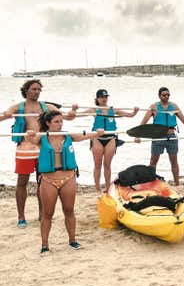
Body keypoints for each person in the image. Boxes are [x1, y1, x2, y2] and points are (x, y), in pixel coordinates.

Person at [25, 110, 104, 254]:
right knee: (47, 213)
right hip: (49, 179)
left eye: (61, 121)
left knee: (69, 210)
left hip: (68, 178)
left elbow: (83, 136)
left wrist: (96, 133)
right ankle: (45, 245)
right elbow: (31, 139)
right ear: (48, 123)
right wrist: (29, 134)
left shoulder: (67, 135)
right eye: (56, 122)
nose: (60, 124)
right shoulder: (42, 137)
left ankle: (72, 241)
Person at [1, 79, 77, 228]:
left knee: (43, 182)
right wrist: (7, 115)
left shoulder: (47, 107)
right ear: (26, 90)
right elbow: (3, 116)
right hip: (25, 149)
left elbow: (67, 117)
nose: (36, 92)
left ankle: (42, 214)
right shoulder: (18, 107)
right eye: (34, 89)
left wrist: (73, 111)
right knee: (22, 182)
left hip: (43, 147)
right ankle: (21, 217)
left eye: (39, 89)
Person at [139, 87, 184, 186]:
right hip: (158, 137)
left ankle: (177, 183)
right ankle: (150, 183)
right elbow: (143, 122)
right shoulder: (154, 107)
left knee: (174, 160)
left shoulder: (174, 107)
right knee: (153, 161)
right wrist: (137, 136)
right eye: (164, 95)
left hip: (171, 136)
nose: (166, 97)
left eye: (168, 95)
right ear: (159, 96)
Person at [88, 89, 138, 192]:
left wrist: (135, 111)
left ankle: (107, 188)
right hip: (97, 138)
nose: (104, 99)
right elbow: (76, 114)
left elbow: (130, 115)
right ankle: (97, 189)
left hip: (110, 138)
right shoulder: (94, 110)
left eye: (106, 97)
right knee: (97, 165)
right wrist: (73, 111)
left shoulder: (113, 110)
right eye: (102, 97)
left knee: (107, 165)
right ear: (97, 98)